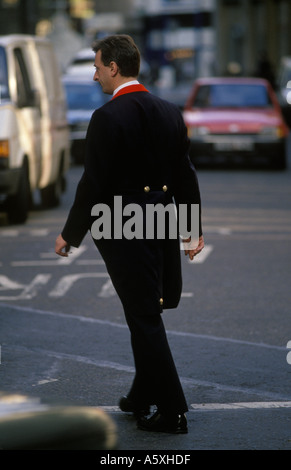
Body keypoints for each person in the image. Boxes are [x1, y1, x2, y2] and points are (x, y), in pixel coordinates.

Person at [55, 34, 204, 434]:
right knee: (143, 309)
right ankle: (142, 394)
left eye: (98, 66)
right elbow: (184, 177)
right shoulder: (169, 111)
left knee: (143, 315)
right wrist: (191, 232)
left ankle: (173, 412)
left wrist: (70, 234)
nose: (95, 74)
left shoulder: (107, 117)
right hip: (161, 222)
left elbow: (93, 184)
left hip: (121, 227)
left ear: (114, 68)